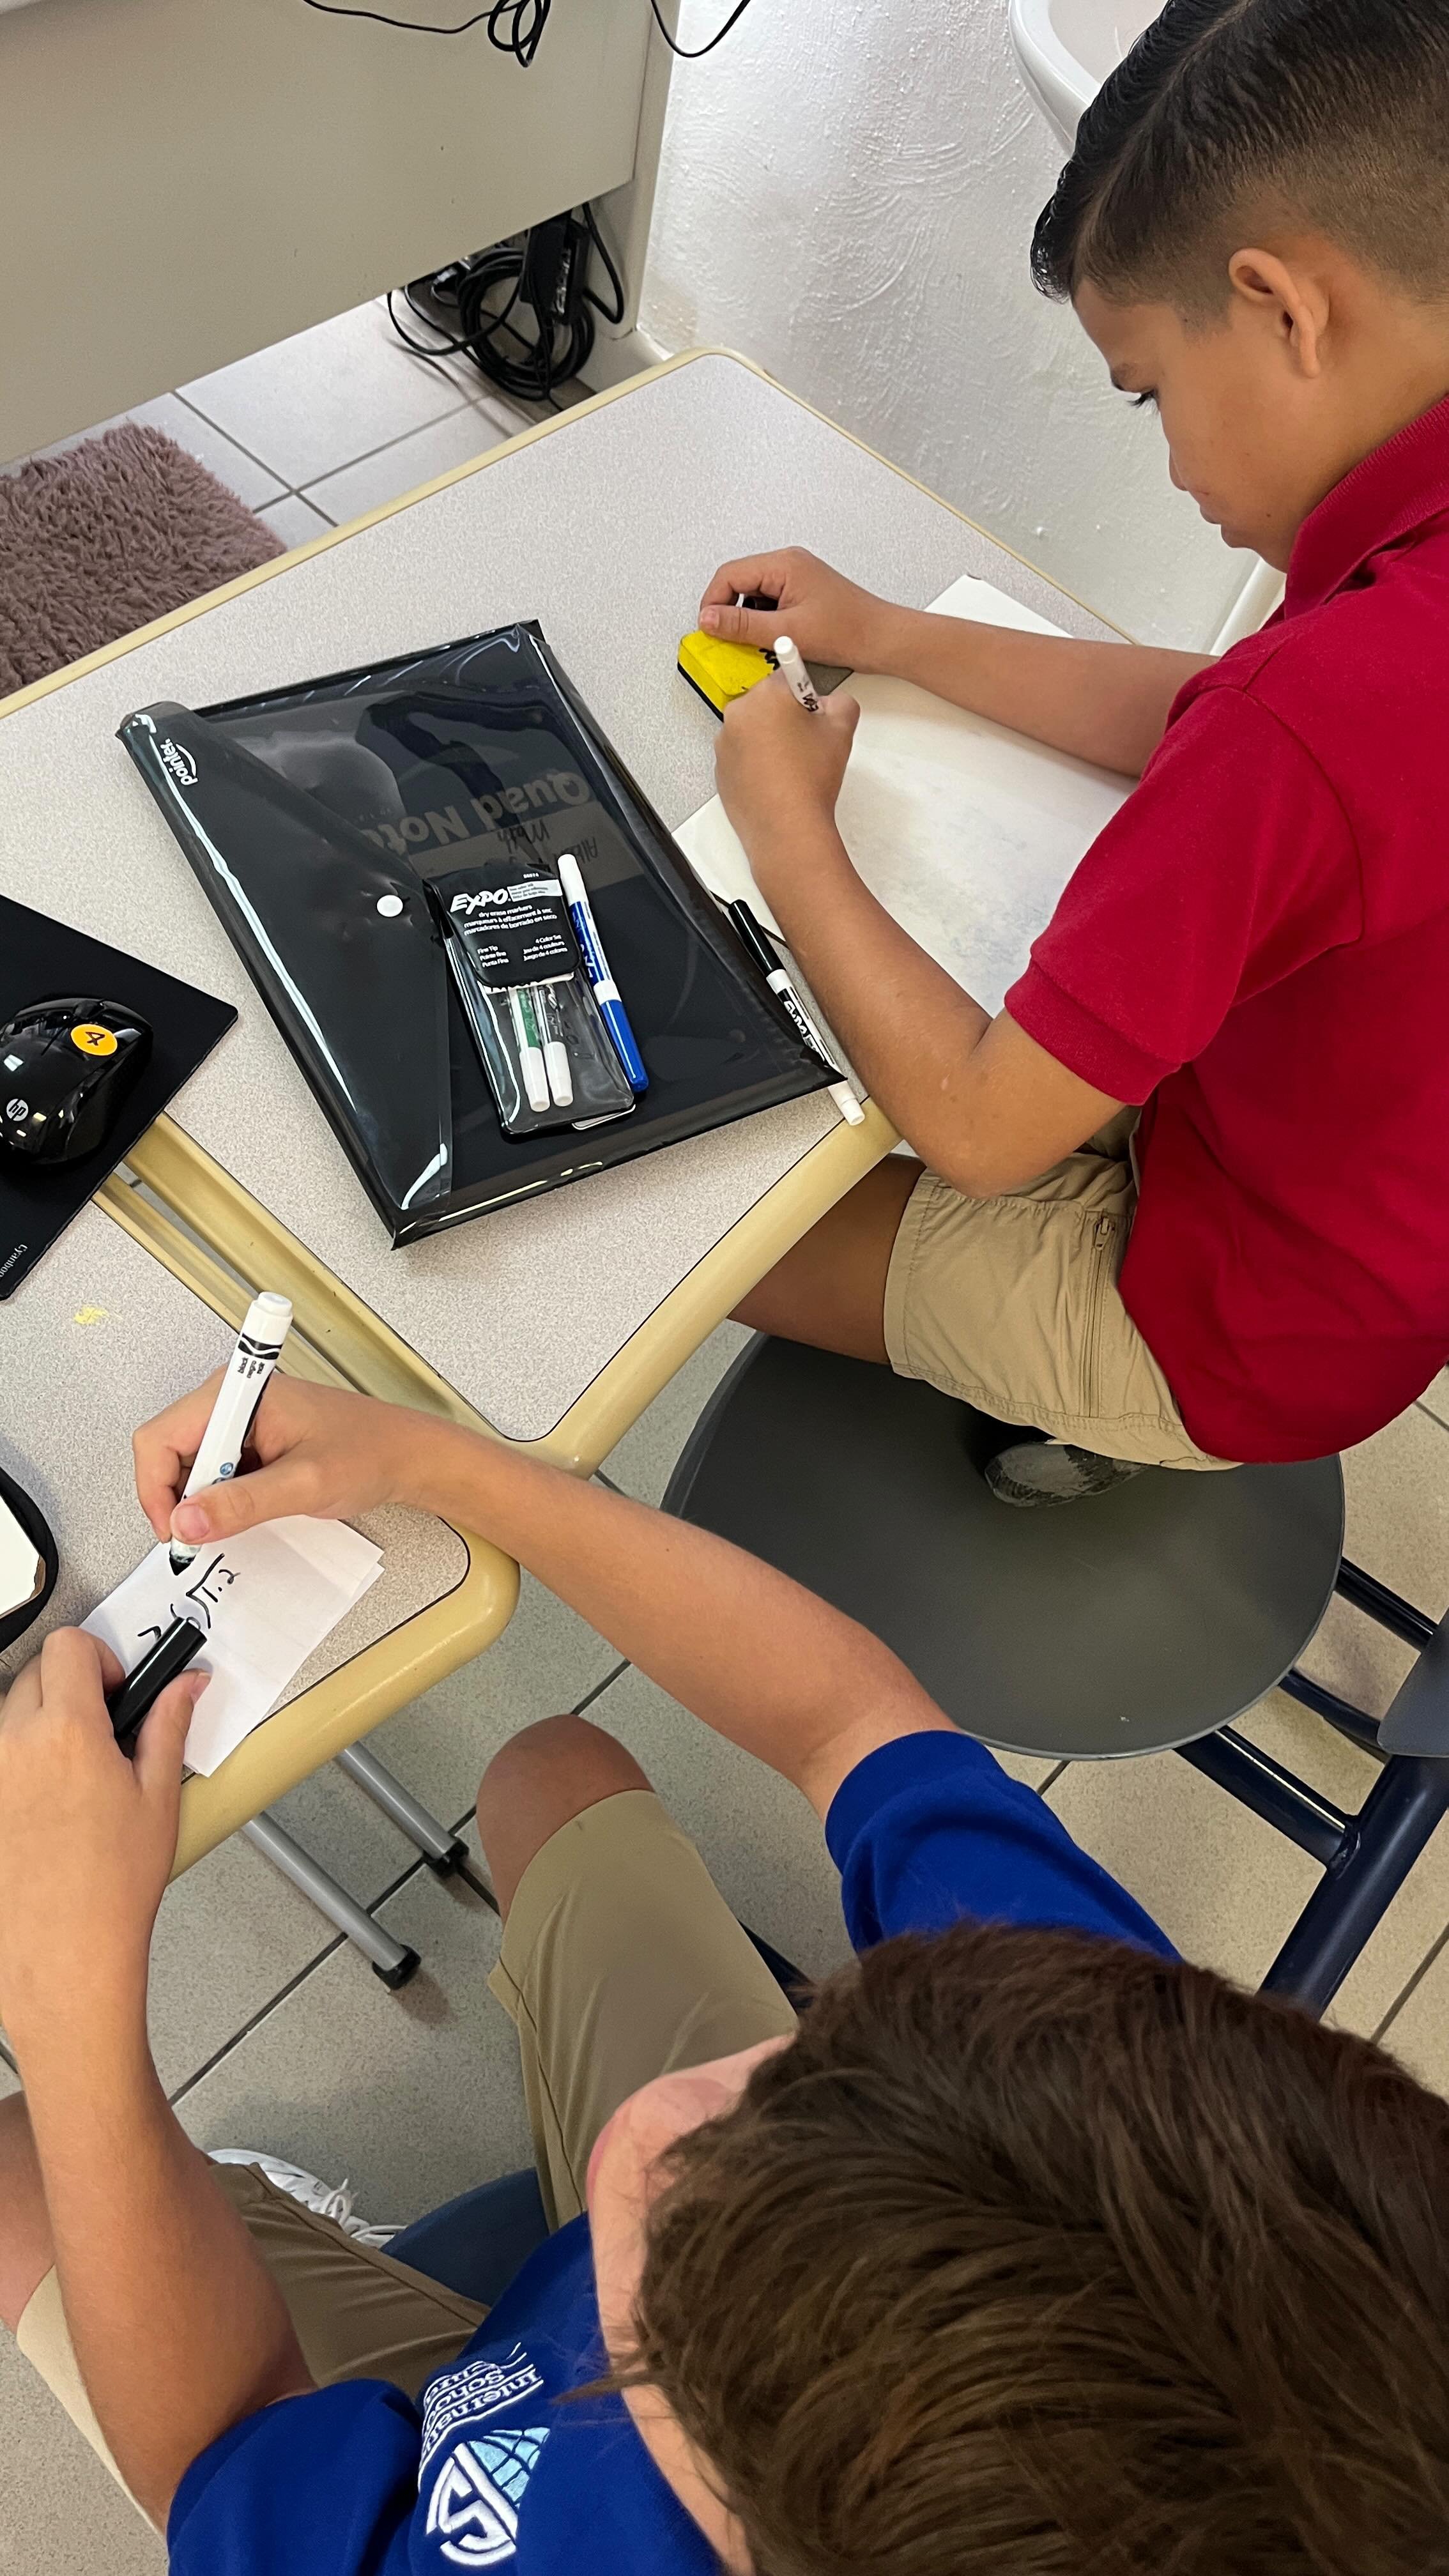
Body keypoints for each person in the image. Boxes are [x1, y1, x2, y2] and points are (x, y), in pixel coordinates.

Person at [1, 1372, 1446, 2575]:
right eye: (811, 2062)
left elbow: (219, 2450)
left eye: (688, 2262)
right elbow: (856, 1720)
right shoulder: (1133, 2106)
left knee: (19, 2169)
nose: (655, 2120)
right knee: (557, 1772)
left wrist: (69, 2002)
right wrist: (446, 1464)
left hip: (378, 2479)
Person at [697, 0, 1449, 1502]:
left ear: (1284, 311)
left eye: (1150, 390)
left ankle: (1097, 1418)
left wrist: (787, 829)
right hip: (1369, 1241)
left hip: (1226, 1333)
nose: (1170, 462)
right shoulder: (1384, 628)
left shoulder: (1315, 715)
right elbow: (1220, 710)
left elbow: (982, 1126)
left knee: (693, 1226)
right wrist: (895, 632)